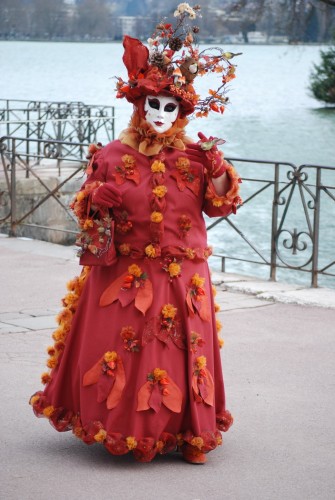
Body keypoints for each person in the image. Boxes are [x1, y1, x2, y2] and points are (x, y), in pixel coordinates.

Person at [30, 4, 242, 464]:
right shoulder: (109, 155)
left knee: (179, 356)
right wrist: (95, 201)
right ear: (139, 105)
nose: (161, 114)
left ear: (181, 111)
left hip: (182, 274)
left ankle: (189, 435)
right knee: (123, 351)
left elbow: (221, 203)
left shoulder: (197, 156)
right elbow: (86, 217)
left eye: (170, 107)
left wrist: (220, 169)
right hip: (124, 273)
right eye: (153, 105)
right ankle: (122, 430)